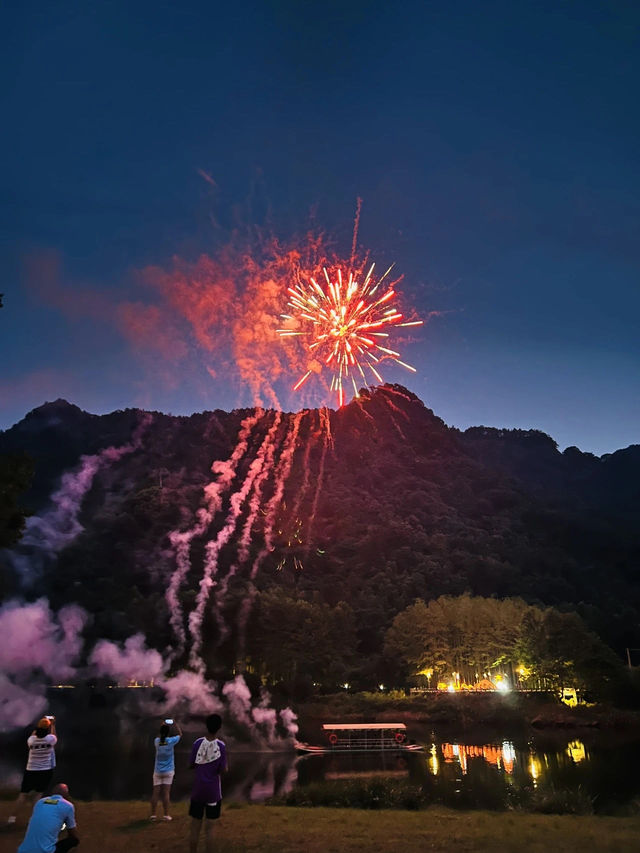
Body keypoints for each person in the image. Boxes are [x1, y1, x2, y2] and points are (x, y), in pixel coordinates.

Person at [188, 713, 227, 853]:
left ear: (206, 726)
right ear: (219, 727)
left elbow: (191, 764)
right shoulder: (221, 746)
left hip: (198, 791)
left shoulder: (197, 743)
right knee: (210, 828)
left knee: (195, 826)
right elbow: (223, 769)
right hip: (213, 793)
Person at [9, 717, 58, 826]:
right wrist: (52, 725)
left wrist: (39, 726)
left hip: (31, 770)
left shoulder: (31, 740)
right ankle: (34, 818)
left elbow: (34, 734)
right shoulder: (51, 739)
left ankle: (12, 818)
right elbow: (54, 735)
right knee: (38, 796)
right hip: (45, 771)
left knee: (23, 795)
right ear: (47, 729)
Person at [17, 782, 79, 853]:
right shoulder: (68, 805)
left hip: (23, 851)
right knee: (74, 841)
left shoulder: (40, 802)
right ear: (66, 794)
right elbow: (72, 831)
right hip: (45, 851)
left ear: (52, 793)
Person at [150, 718, 182, 821]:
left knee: (155, 793)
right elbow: (180, 734)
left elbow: (160, 736)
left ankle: (153, 815)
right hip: (168, 771)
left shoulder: (156, 741)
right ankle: (166, 815)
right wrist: (175, 724)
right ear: (169, 733)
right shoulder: (171, 741)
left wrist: (162, 726)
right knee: (166, 793)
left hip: (157, 771)